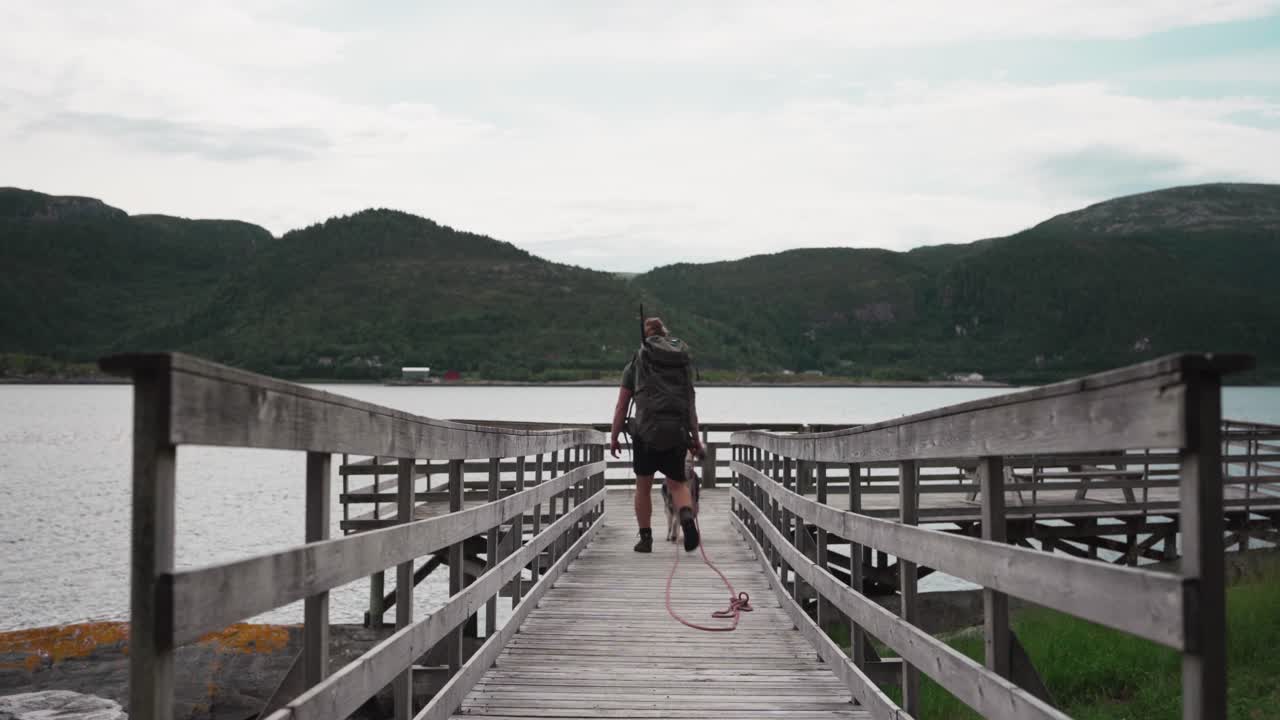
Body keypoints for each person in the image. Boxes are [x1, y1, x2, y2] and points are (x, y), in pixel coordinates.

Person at [610, 317, 704, 553]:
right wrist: (695, 437)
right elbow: (690, 404)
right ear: (664, 335)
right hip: (677, 432)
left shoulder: (636, 363)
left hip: (645, 433)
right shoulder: (680, 364)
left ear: (645, 336)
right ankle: (686, 518)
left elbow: (622, 405)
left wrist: (614, 435)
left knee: (643, 486)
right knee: (678, 484)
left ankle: (646, 539)